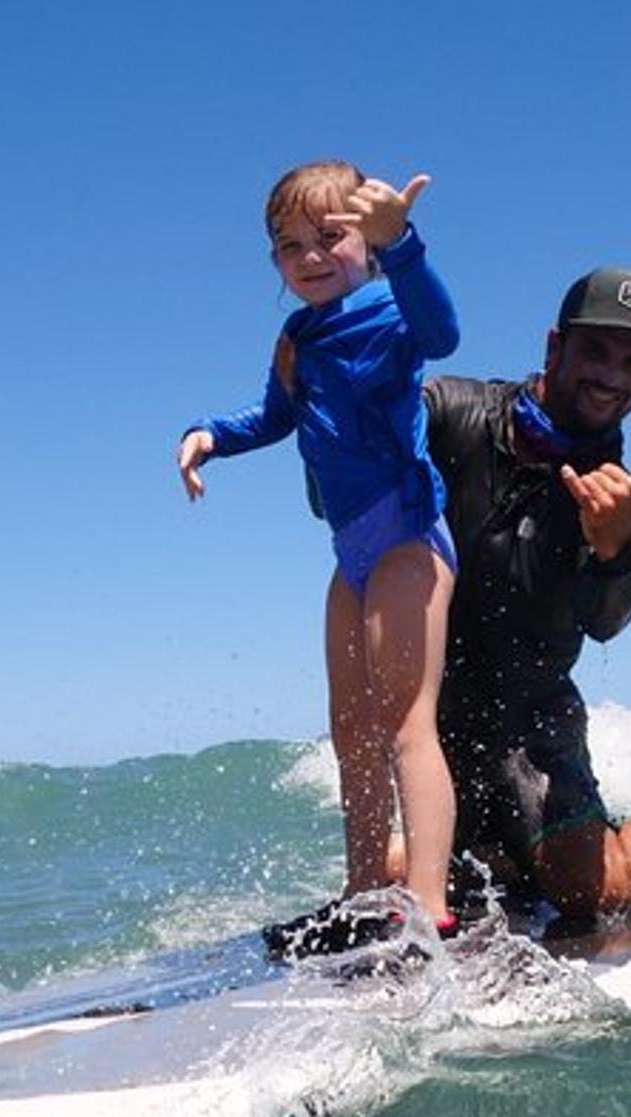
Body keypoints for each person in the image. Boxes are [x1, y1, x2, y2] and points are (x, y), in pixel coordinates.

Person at [175, 160, 462, 935]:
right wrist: (211, 435)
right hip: (352, 551)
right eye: (287, 244)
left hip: (406, 535)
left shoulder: (389, 310)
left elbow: (444, 332)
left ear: (364, 240)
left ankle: (429, 906)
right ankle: (367, 889)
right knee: (351, 729)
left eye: (328, 237)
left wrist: (403, 247)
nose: (307, 256)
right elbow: (274, 416)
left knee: (407, 722)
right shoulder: (296, 337)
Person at [420, 266, 631, 926]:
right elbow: (343, 494)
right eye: (596, 352)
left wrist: (613, 550)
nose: (613, 376)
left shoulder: (617, 499)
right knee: (401, 877)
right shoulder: (450, 414)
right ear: (555, 348)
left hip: (536, 723)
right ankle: (505, 851)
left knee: (588, 896)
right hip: (435, 722)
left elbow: (607, 625)